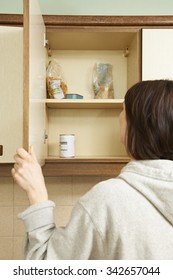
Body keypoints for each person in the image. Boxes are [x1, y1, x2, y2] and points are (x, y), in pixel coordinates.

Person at [12, 79, 173, 260]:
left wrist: (37, 193)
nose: (119, 116)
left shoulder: (108, 199)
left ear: (137, 126)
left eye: (123, 110)